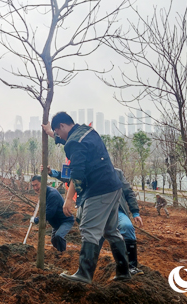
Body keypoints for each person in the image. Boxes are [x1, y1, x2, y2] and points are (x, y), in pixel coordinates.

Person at [42, 112, 131, 284]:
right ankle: (124, 271)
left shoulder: (74, 143)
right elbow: (70, 140)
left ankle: (84, 274)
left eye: (57, 132)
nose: (58, 137)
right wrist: (50, 132)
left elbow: (77, 173)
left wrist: (68, 199)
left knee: (89, 229)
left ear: (61, 126)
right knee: (111, 231)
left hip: (99, 190)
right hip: (113, 188)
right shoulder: (86, 131)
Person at [50, 166, 145, 275]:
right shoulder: (90, 171)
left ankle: (131, 267)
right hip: (95, 211)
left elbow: (128, 192)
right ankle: (86, 272)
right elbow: (73, 178)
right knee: (93, 237)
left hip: (115, 210)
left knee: (127, 227)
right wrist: (52, 172)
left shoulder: (117, 173)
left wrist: (135, 212)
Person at [30, 175, 75, 252]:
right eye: (33, 186)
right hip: (56, 223)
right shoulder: (43, 194)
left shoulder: (52, 194)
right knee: (54, 240)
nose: (35, 188)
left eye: (36, 185)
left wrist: (36, 220)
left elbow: (49, 213)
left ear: (43, 183)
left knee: (58, 236)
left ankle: (63, 253)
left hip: (65, 221)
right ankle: (57, 253)